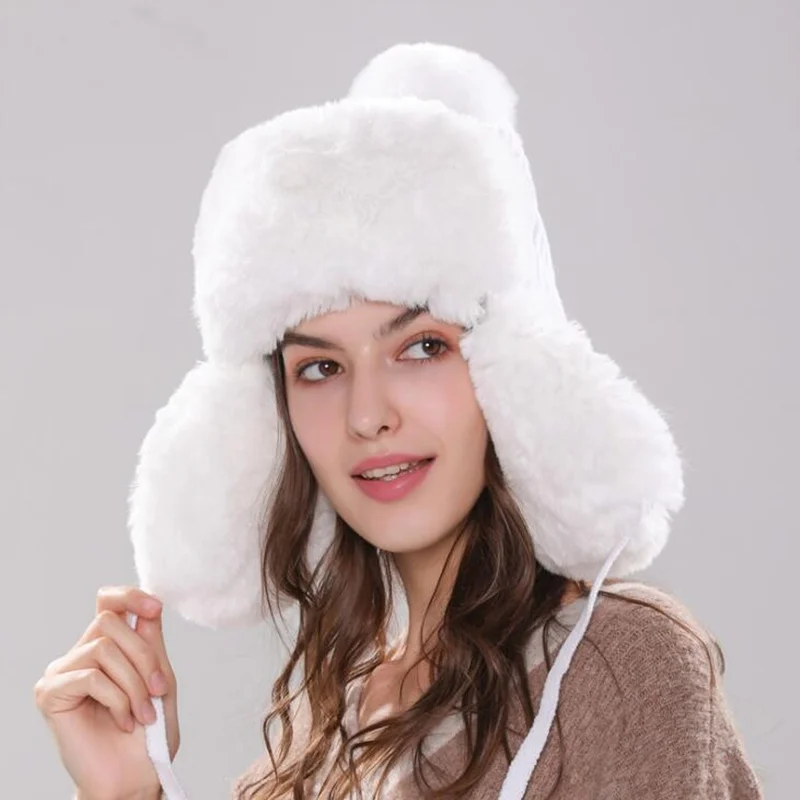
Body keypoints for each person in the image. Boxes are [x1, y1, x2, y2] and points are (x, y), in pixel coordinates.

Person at [34, 43, 763, 799]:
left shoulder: (622, 663)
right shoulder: (317, 737)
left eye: (421, 348)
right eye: (320, 367)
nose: (368, 415)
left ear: (509, 373)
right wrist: (129, 792)